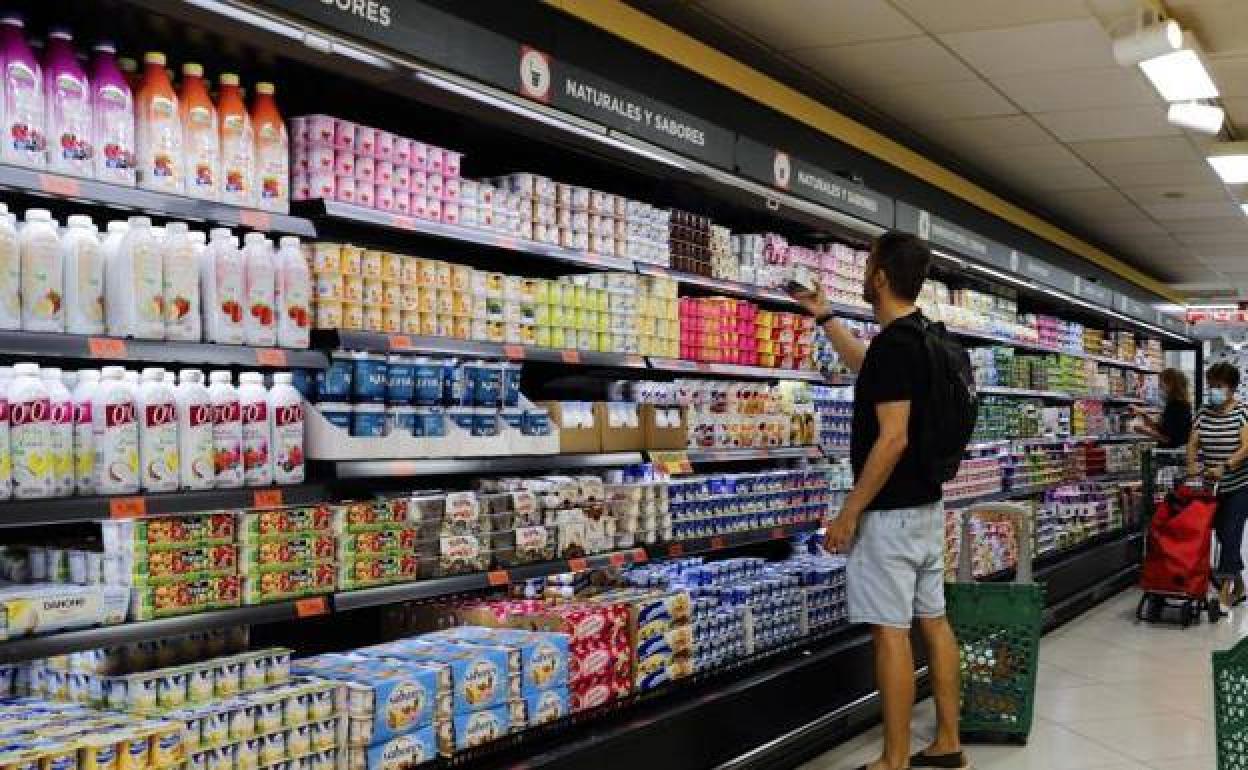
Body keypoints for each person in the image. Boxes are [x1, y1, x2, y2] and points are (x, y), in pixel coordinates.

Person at [792, 231, 967, 770]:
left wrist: (849, 512)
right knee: (934, 623)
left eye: (868, 264)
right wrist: (825, 317)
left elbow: (892, 438)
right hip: (927, 507)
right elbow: (868, 369)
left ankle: (893, 761)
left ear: (882, 276)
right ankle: (948, 744)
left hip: (889, 517)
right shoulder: (929, 338)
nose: (866, 273)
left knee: (890, 635)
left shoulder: (897, 345)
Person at [1187, 361, 1248, 609]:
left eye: (1218, 386)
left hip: (1240, 484)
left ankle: (1225, 590)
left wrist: (1227, 465)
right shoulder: (1203, 412)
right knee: (1223, 535)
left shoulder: (1242, 411)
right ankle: (1241, 583)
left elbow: (1247, 446)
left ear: (1232, 388)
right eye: (1211, 386)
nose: (1213, 390)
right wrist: (1191, 463)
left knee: (1232, 533)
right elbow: (1193, 441)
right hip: (1212, 486)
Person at [1131, 368, 1192, 448]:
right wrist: (1143, 414)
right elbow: (1162, 430)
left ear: (1171, 384)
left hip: (1171, 455)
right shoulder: (1175, 404)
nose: (1159, 387)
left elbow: (1168, 439)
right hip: (1170, 453)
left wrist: (1144, 431)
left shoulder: (1178, 406)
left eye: (1161, 383)